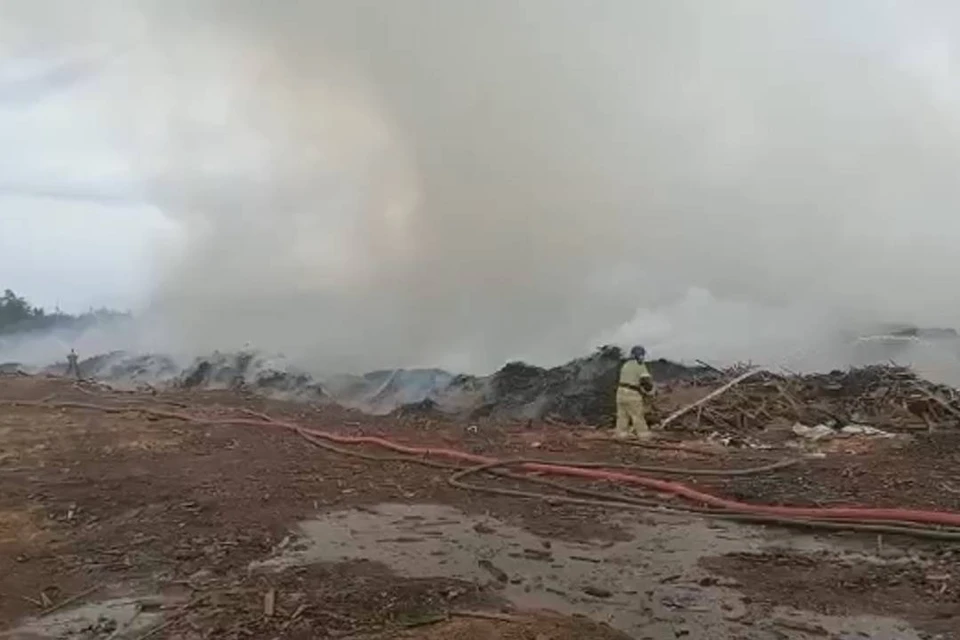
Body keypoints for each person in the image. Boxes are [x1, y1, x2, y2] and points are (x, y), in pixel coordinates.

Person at [614, 345, 654, 439]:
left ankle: (621, 435)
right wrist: (649, 391)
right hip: (632, 394)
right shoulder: (640, 366)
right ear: (639, 355)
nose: (642, 357)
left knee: (622, 416)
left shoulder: (625, 365)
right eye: (642, 355)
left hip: (620, 393)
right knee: (637, 415)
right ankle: (644, 436)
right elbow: (646, 382)